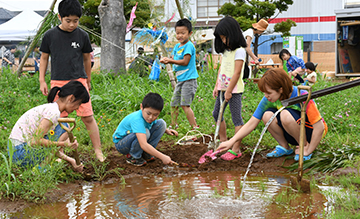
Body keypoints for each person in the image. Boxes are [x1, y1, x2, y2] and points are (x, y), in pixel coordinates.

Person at [38, 0, 105, 162]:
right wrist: (42, 80)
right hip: (58, 83)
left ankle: (98, 151)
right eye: (68, 21)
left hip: (79, 82)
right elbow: (44, 58)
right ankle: (59, 153)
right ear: (60, 17)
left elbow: (87, 59)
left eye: (76, 21)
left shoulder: (82, 35)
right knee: (58, 120)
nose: (72, 24)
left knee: (88, 117)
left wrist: (88, 79)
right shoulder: (49, 36)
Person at [215, 68, 328, 161]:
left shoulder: (302, 95)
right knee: (267, 115)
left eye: (269, 93)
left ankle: (304, 147)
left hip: (311, 133)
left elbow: (320, 127)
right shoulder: (268, 99)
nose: (266, 96)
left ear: (281, 89)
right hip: (294, 131)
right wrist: (231, 141)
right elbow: (252, 122)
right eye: (264, 93)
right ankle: (285, 147)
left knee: (285, 114)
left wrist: (309, 149)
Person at [8, 81, 89, 172]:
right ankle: (40, 170)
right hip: (21, 153)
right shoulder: (53, 112)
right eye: (79, 103)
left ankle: (41, 167)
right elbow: (35, 141)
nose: (77, 108)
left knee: (63, 127)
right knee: (64, 127)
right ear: (71, 98)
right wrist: (64, 144)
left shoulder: (52, 108)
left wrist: (71, 161)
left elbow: (46, 146)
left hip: (15, 151)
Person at [211, 16, 247, 161]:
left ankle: (235, 149)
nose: (224, 41)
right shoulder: (226, 51)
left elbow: (237, 72)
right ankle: (223, 141)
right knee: (216, 114)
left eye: (225, 37)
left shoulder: (240, 51)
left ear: (232, 34)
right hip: (222, 89)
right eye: (221, 38)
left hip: (234, 91)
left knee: (236, 119)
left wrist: (229, 91)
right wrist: (217, 86)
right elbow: (222, 69)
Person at [113, 93, 178, 166]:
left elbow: (155, 123)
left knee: (161, 124)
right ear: (141, 107)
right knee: (146, 132)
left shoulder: (149, 118)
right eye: (148, 113)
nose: (151, 117)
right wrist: (162, 157)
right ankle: (133, 157)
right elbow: (143, 144)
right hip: (122, 144)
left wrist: (167, 131)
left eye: (155, 115)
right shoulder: (137, 119)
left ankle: (147, 153)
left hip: (133, 138)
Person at [160, 18, 199, 130]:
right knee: (174, 104)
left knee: (185, 105)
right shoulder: (177, 47)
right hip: (180, 80)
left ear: (190, 33)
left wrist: (170, 61)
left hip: (189, 80)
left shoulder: (189, 46)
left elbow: (185, 62)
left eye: (183, 33)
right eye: (177, 33)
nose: (180, 35)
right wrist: (167, 59)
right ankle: (173, 125)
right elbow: (174, 58)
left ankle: (194, 127)